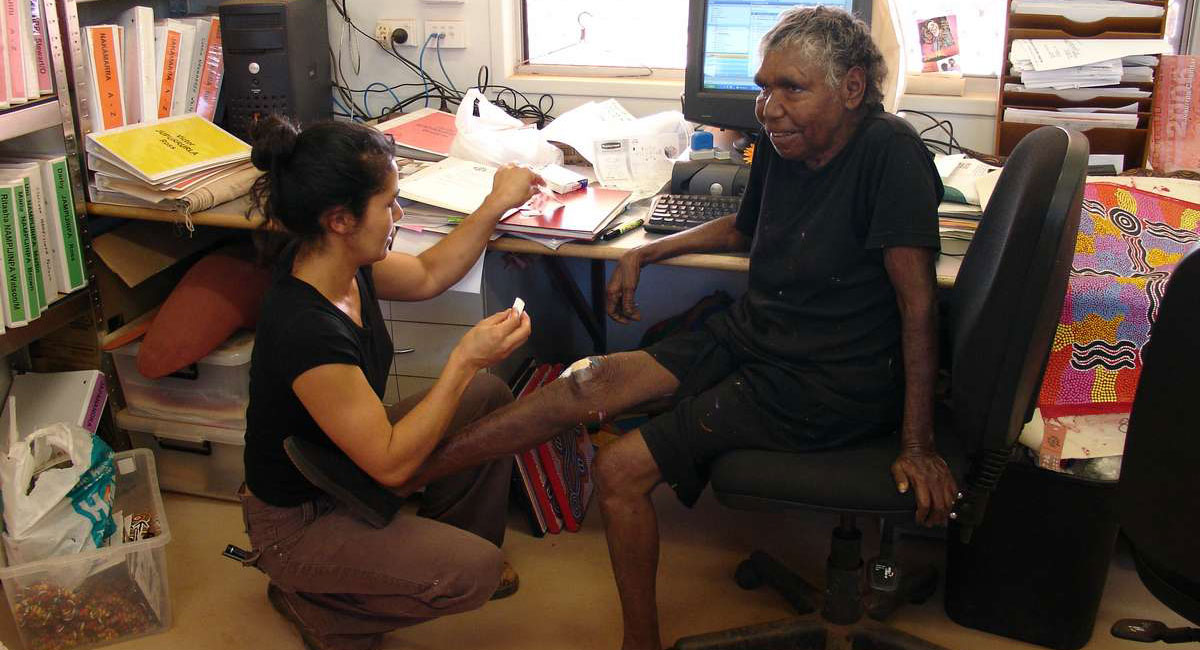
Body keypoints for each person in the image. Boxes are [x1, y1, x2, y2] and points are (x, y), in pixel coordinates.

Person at [398, 6, 957, 650]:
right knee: (586, 385)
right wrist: (645, 251)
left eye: (792, 88)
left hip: (827, 381)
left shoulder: (890, 154)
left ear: (853, 88)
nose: (769, 108)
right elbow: (744, 229)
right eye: (764, 88)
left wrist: (918, 443)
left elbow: (918, 307)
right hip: (757, 338)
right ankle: (403, 475)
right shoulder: (785, 140)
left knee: (619, 471)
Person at [239, 115, 541, 650]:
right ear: (340, 220)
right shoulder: (306, 327)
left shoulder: (339, 262)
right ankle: (316, 603)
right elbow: (390, 463)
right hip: (300, 520)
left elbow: (429, 273)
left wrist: (496, 203)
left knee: (489, 398)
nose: (398, 215)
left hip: (338, 469)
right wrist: (464, 360)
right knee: (473, 573)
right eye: (389, 203)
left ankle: (428, 548)